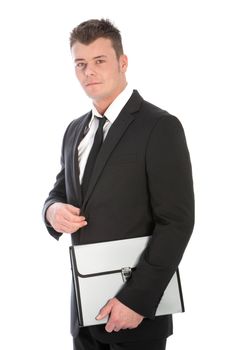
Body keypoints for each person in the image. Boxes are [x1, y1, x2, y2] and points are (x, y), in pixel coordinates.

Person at [43, 18, 194, 350]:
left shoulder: (160, 127)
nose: (89, 72)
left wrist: (137, 300)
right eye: (80, 64)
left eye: (99, 61)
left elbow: (177, 222)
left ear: (122, 63)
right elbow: (59, 191)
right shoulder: (74, 131)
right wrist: (52, 211)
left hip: (137, 316)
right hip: (84, 313)